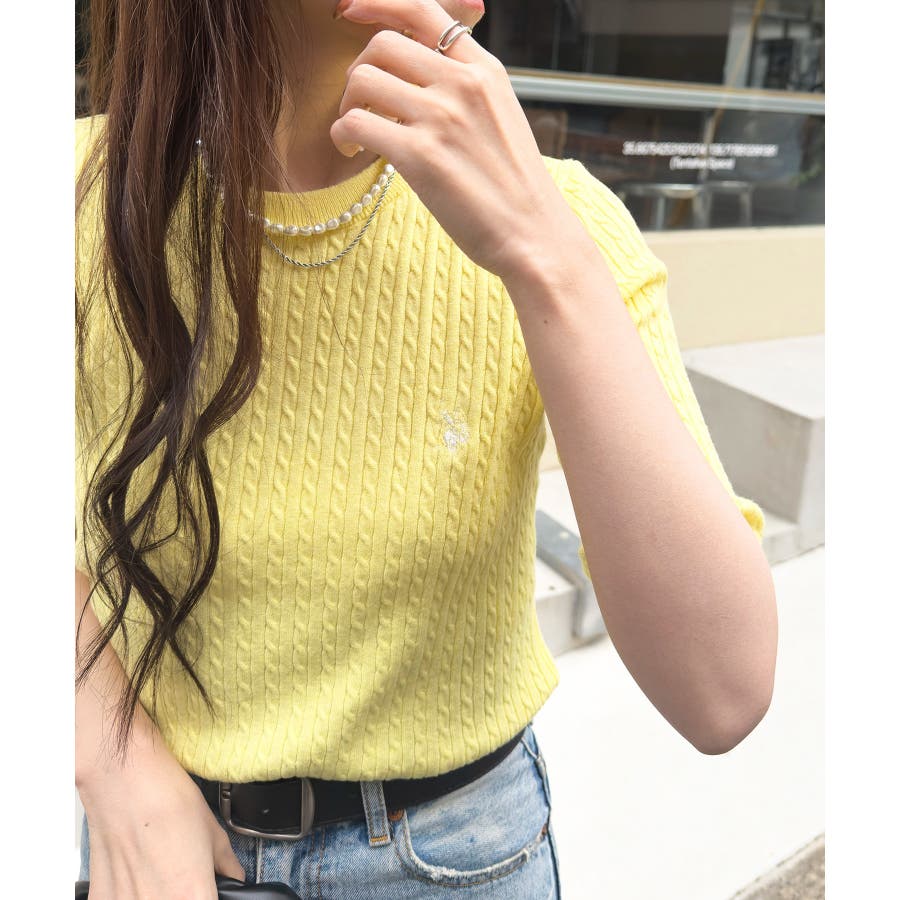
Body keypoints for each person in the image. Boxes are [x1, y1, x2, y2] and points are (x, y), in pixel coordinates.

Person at [75, 1, 778, 898]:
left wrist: (546, 260)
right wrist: (112, 762)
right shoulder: (76, 196)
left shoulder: (561, 221)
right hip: (162, 852)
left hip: (460, 856)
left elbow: (722, 689)